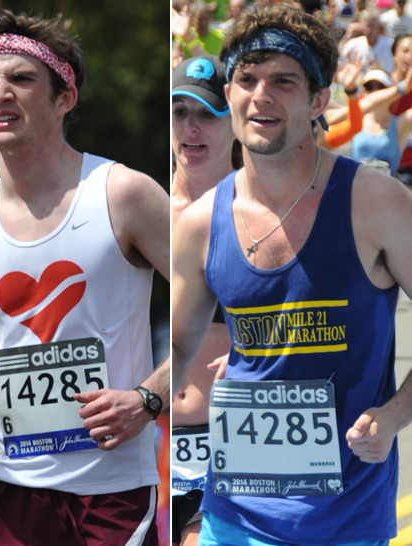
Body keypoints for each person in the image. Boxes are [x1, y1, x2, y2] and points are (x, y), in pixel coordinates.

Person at [0, 10, 170, 545]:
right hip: (10, 489)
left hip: (114, 492)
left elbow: (216, 300)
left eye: (22, 78)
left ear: (66, 98)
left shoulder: (123, 196)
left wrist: (149, 399)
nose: (0, 93)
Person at [171, 5, 412, 545]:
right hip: (232, 514)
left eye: (283, 81)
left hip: (346, 520)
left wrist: (395, 415)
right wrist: (140, 401)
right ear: (230, 97)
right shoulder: (197, 226)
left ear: (318, 100)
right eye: (247, 79)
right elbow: (178, 350)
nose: (261, 95)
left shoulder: (375, 204)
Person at [169, 55, 236, 546]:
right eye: (179, 112)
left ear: (235, 120)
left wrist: (256, 348)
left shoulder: (260, 214)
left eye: (208, 115)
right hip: (145, 438)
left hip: (232, 439)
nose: (191, 128)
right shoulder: (139, 208)